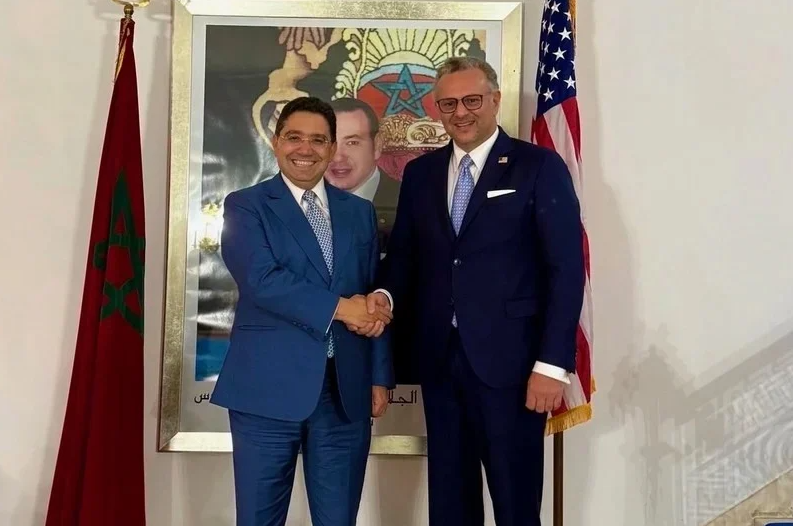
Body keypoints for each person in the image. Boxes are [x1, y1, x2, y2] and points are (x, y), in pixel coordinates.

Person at [367, 56, 585, 525]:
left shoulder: (537, 166)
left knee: (515, 506)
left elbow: (566, 270)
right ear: (437, 108)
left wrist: (552, 365)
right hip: (440, 364)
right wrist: (384, 297)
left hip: (515, 368)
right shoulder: (422, 174)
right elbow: (404, 256)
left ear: (495, 100)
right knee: (450, 505)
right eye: (448, 103)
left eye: (471, 100)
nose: (460, 112)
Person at [210, 96, 396, 526]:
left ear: (331, 148)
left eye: (318, 140)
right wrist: (341, 309)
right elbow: (262, 280)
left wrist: (379, 375)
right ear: (276, 143)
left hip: (344, 394)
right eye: (294, 137)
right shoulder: (246, 205)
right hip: (266, 391)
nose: (305, 149)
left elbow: (371, 293)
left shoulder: (360, 212)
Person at [324, 97, 401, 251]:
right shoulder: (301, 202)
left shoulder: (411, 202)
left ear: (377, 145)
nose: (337, 157)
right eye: (329, 142)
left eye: (352, 143)